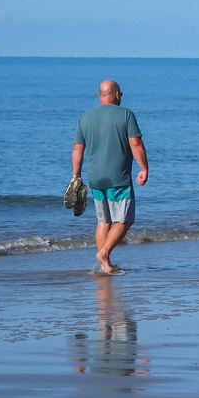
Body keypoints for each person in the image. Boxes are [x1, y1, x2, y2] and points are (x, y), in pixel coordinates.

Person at [71, 80, 149, 274]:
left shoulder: (85, 117)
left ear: (100, 96)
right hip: (118, 178)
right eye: (120, 94)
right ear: (116, 95)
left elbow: (77, 150)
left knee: (103, 221)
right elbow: (136, 143)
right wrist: (144, 167)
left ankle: (105, 264)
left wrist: (76, 176)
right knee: (124, 220)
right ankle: (104, 253)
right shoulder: (126, 114)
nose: (121, 97)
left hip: (96, 179)